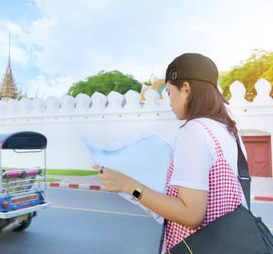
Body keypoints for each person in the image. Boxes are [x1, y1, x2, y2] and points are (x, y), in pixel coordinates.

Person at [93, 53, 245, 253]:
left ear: (186, 89)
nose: (169, 101)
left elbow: (191, 215)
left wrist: (129, 186)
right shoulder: (227, 130)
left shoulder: (194, 131)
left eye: (169, 92)